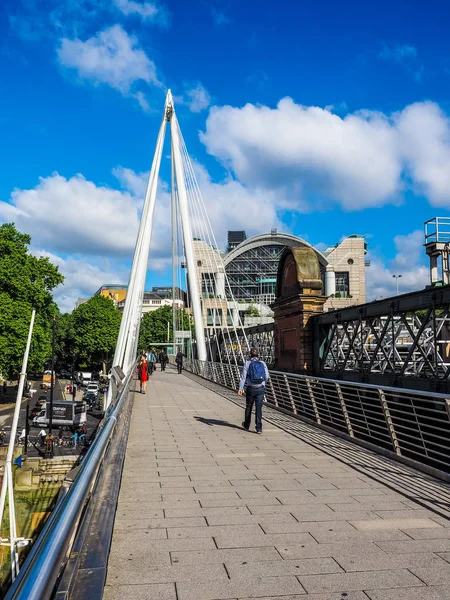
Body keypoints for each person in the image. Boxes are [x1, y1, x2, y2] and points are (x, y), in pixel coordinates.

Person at [238, 348, 269, 434]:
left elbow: (244, 377)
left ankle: (247, 425)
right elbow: (267, 376)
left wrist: (240, 388)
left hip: (250, 388)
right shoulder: (263, 363)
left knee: (249, 407)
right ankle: (259, 428)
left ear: (250, 355)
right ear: (258, 355)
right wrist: (262, 384)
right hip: (260, 388)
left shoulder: (247, 363)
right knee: (259, 408)